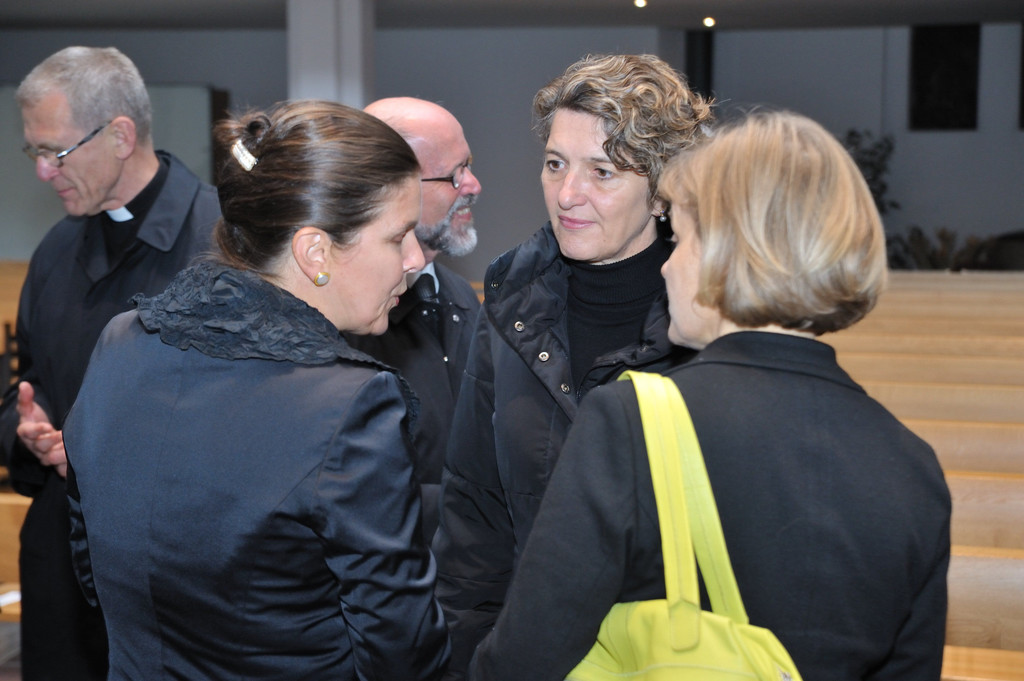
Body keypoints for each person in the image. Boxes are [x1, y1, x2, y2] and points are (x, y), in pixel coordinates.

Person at [467, 111, 952, 681]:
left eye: (682, 236)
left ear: (727, 251)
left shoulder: (630, 422)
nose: (668, 264)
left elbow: (525, 659)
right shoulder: (913, 465)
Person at [61, 99, 451, 680]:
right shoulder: (349, 402)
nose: (416, 259)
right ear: (316, 252)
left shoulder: (121, 340)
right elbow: (400, 646)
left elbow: (91, 558)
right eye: (399, 237)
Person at [432, 53, 713, 677]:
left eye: (602, 172)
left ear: (662, 191)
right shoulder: (510, 302)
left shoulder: (708, 321)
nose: (567, 195)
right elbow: (474, 516)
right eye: (555, 163)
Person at [0, 45, 220, 680]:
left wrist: (106, 453)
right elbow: (29, 381)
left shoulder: (223, 242)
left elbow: (253, 417)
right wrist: (30, 429)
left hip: (178, 567)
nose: (44, 172)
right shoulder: (55, 250)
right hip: (62, 572)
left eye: (56, 151)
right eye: (34, 152)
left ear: (120, 136)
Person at [346, 97, 483, 540]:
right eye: (454, 174)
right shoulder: (345, 321)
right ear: (390, 187)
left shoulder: (461, 297)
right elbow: (353, 496)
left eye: (469, 166)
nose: (473, 185)